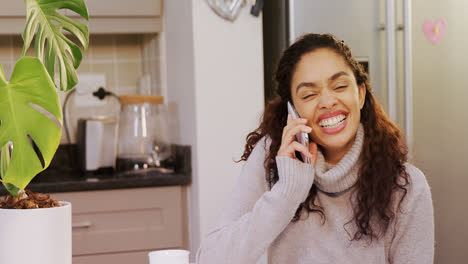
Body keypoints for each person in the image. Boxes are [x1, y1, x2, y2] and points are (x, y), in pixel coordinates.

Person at [196, 33, 434, 263]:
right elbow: (210, 259)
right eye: (309, 94)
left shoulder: (406, 187)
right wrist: (287, 192)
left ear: (360, 95)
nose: (328, 101)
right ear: (293, 110)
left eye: (340, 86)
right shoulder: (272, 157)